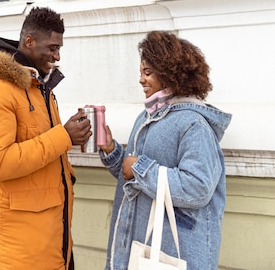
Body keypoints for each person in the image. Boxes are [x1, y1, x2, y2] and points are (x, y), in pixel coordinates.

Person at [0, 6, 91, 270]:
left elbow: (44, 154)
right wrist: (64, 136)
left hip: (52, 244)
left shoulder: (40, 88)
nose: (57, 56)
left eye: (59, 48)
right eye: (52, 47)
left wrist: (74, 136)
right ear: (29, 41)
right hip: (18, 254)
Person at [99, 30, 232, 270]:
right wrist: (112, 151)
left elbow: (198, 188)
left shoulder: (194, 124)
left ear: (171, 74)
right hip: (139, 243)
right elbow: (133, 177)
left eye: (148, 73)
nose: (141, 80)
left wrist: (140, 168)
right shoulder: (147, 117)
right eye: (141, 73)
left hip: (173, 250)